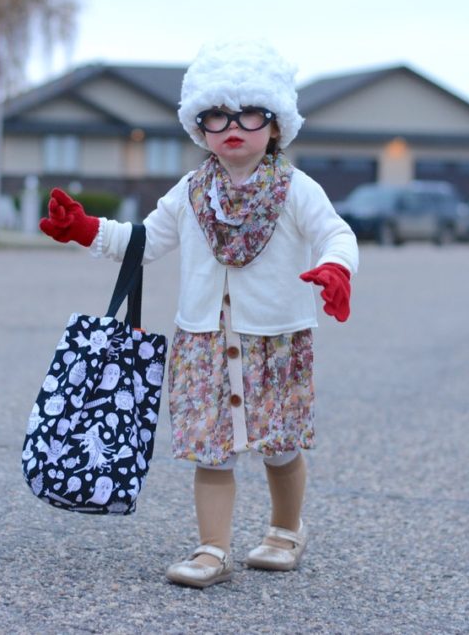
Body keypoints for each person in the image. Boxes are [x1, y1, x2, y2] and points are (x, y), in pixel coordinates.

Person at [38, 40, 359, 588]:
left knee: (279, 445)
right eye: (215, 115)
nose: (232, 125)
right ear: (198, 126)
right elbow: (142, 240)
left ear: (275, 125)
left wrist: (335, 269)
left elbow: (337, 233)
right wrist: (85, 229)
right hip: (205, 340)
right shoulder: (191, 192)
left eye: (249, 113)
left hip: (274, 339)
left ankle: (286, 529)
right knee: (213, 452)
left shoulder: (297, 189)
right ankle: (213, 549)